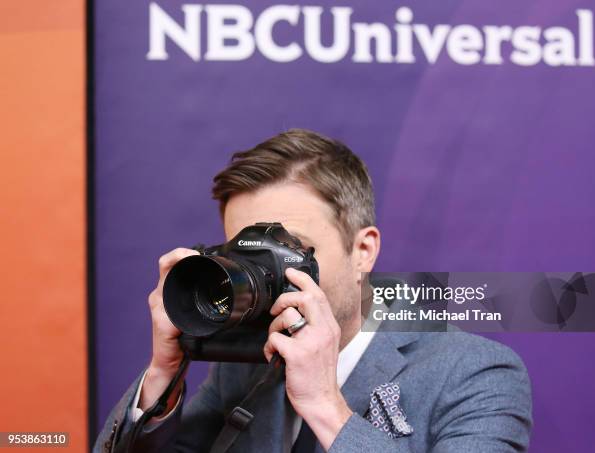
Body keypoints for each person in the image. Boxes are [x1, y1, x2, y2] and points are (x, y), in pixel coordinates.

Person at [95, 129, 532, 452]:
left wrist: (325, 405)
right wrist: (163, 377)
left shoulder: (474, 373)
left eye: (292, 252)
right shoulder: (242, 362)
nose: (268, 276)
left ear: (363, 250)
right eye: (249, 257)